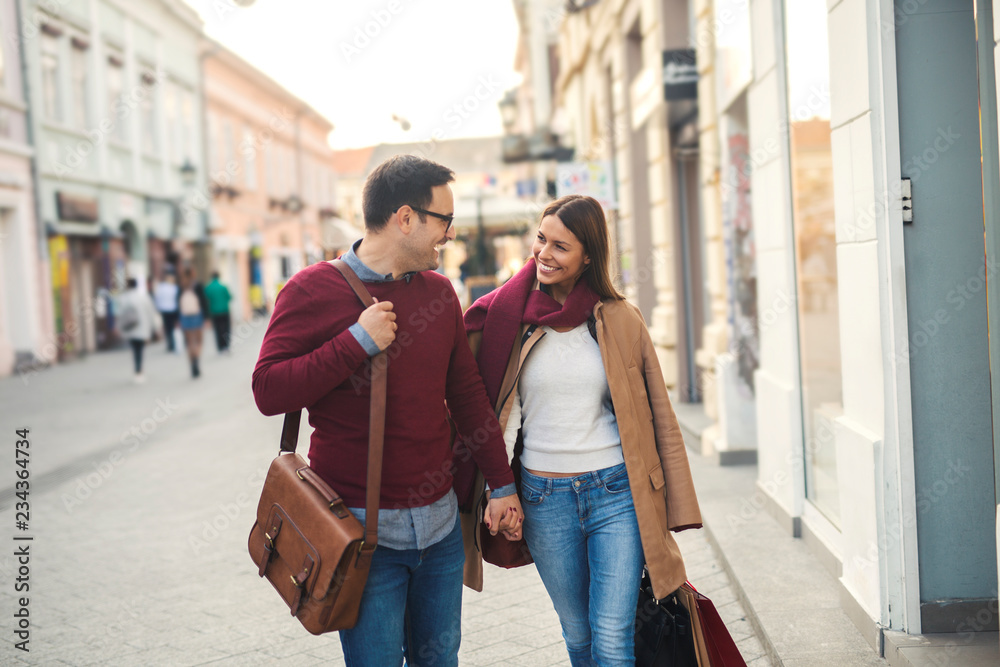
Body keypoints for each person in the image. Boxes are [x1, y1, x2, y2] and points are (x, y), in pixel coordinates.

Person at [252, 155, 523, 667]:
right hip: (358, 536)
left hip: (441, 531)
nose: (449, 233)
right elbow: (268, 390)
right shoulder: (311, 290)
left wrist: (502, 483)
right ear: (405, 218)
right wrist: (356, 341)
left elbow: (466, 397)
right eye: (443, 219)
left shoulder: (441, 294)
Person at [464, 194, 703, 667]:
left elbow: (660, 418)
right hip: (543, 498)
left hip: (616, 492)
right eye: (541, 239)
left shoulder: (620, 319)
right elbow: (486, 410)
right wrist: (498, 487)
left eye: (560, 246)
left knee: (612, 635)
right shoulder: (505, 320)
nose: (543, 254)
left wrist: (678, 503)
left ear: (589, 256)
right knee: (578, 633)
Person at [117, 278, 160, 383]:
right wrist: (154, 327)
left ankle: (137, 369)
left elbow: (119, 314)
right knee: (140, 350)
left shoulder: (123, 298)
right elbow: (151, 312)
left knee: (134, 349)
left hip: (130, 329)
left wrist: (119, 328)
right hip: (142, 328)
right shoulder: (143, 297)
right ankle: (139, 370)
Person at [178, 269, 208, 378]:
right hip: (197, 315)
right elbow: (204, 301)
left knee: (190, 342)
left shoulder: (181, 287)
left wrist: (178, 319)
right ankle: (196, 359)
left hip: (184, 316)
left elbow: (177, 303)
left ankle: (192, 364)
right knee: (199, 341)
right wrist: (206, 317)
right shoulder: (197, 285)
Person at [203, 271, 233, 354]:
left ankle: (220, 347)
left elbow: (206, 299)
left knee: (217, 329)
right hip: (224, 310)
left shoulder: (208, 288)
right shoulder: (223, 287)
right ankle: (226, 346)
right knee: (226, 328)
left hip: (214, 311)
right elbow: (229, 297)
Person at [153, 272, 180, 353]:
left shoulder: (161, 288)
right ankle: (173, 344)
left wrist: (158, 308)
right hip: (173, 310)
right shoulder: (174, 287)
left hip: (165, 310)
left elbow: (157, 299)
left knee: (168, 328)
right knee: (172, 328)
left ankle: (170, 344)